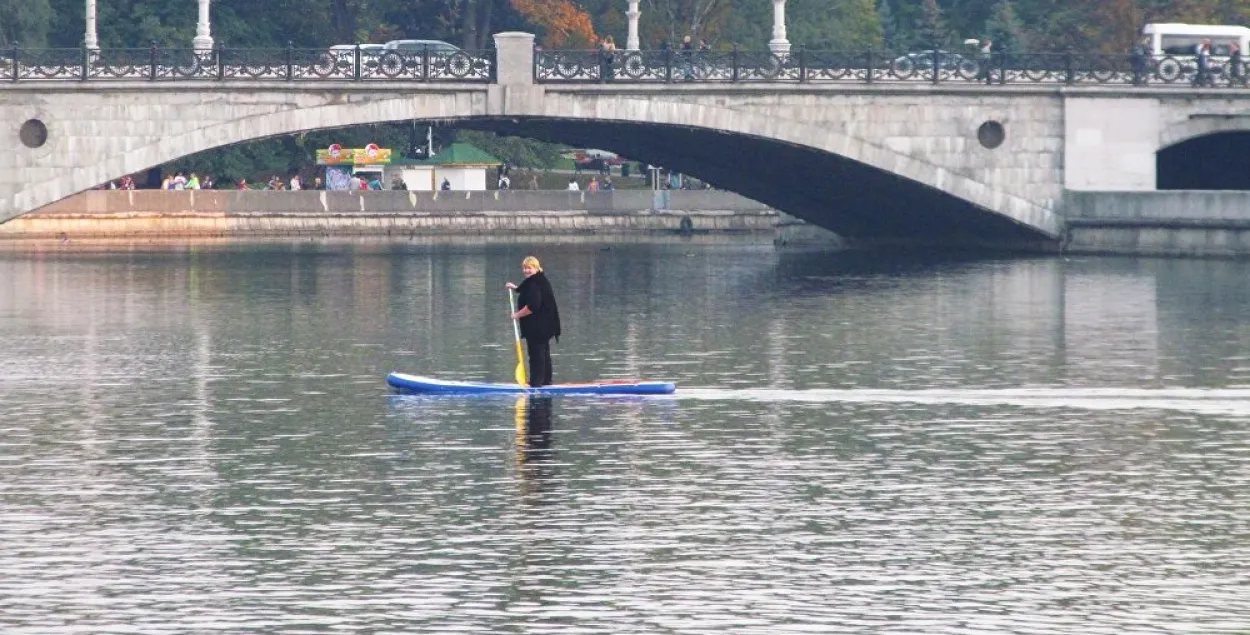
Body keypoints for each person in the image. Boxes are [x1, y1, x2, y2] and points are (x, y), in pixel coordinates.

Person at [506, 256, 561, 387]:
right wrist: (515, 288)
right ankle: (546, 381)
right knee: (543, 353)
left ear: (536, 268)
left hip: (539, 327)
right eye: (524, 268)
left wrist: (517, 315)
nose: (526, 270)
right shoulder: (539, 279)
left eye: (529, 268)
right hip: (546, 325)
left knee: (536, 354)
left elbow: (533, 306)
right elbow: (526, 288)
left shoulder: (535, 283)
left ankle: (536, 383)